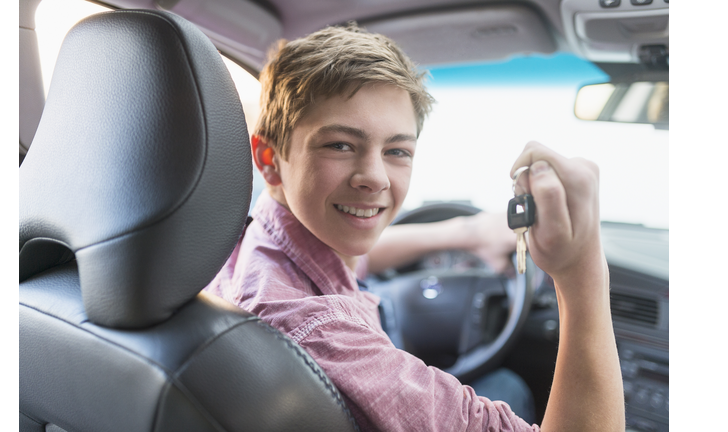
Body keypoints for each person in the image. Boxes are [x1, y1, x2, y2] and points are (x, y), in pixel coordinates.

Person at [204, 24, 624, 432]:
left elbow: (348, 257)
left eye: (397, 150)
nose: (376, 178)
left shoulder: (246, 240)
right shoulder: (323, 334)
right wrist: (580, 272)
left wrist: (466, 233)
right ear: (269, 158)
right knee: (509, 386)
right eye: (340, 145)